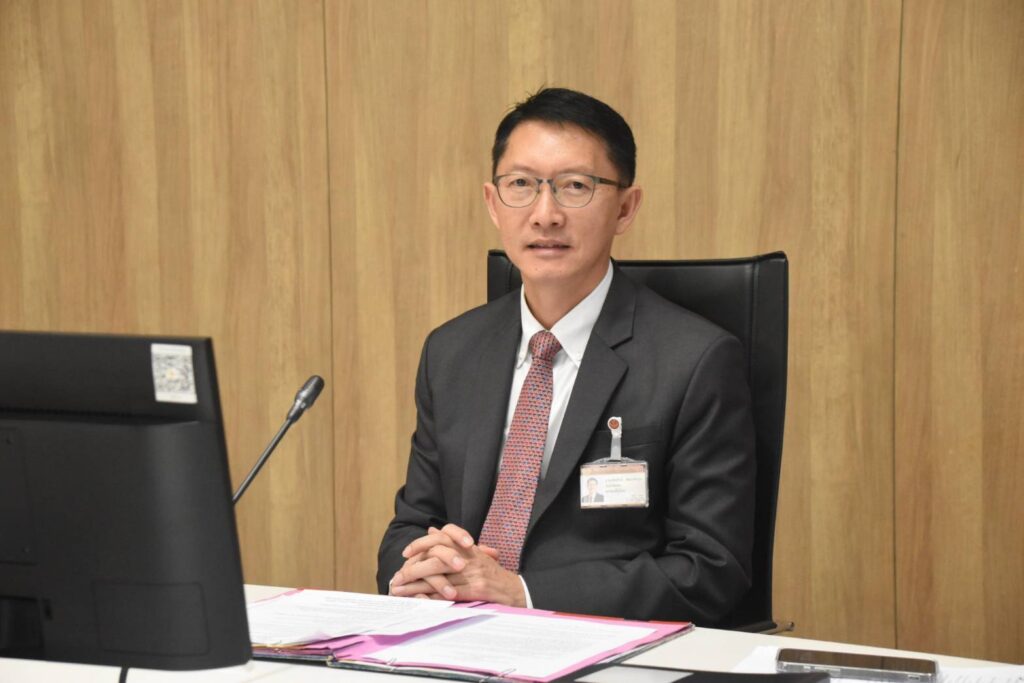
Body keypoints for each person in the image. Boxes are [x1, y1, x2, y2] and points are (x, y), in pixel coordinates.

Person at [377, 87, 755, 623]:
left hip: (602, 649)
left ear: (625, 207)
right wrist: (421, 568)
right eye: (521, 185)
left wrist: (521, 592)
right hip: (455, 638)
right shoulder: (451, 351)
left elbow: (710, 569)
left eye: (575, 186)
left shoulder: (695, 361)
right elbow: (412, 525)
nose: (545, 214)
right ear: (492, 202)